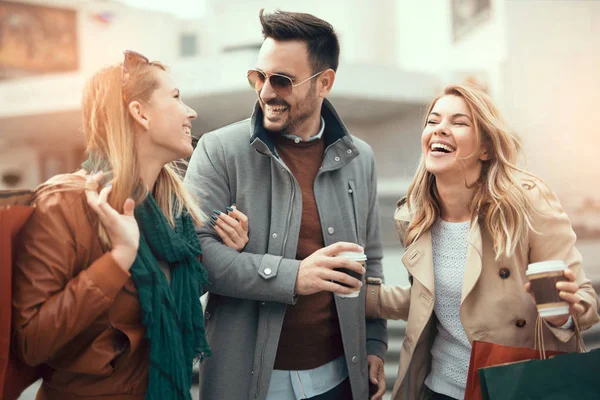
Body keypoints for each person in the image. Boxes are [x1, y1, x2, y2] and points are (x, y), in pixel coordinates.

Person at [11, 51, 247, 400]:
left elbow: (165, 298)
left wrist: (228, 250)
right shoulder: (66, 203)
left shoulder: (172, 209)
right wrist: (118, 259)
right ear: (140, 114)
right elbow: (31, 342)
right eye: (176, 97)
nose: (191, 112)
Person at [184, 9, 387, 400]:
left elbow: (372, 261)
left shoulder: (360, 157)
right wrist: (293, 276)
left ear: (324, 82)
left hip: (341, 379)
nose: (265, 92)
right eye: (258, 77)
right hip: (249, 382)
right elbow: (197, 259)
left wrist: (375, 342)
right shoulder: (217, 150)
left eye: (281, 80)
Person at [365, 84, 600, 400]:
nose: (441, 130)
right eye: (433, 121)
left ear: (486, 149)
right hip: (439, 389)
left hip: (513, 386)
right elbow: (436, 301)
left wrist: (562, 313)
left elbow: (584, 301)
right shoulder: (414, 217)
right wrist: (360, 296)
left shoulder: (527, 203)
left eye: (458, 123)